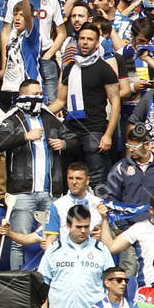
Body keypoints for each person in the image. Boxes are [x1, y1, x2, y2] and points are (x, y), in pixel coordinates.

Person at [0, 79, 67, 268]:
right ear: (23, 95)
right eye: (35, 94)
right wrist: (24, 136)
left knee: (49, 241)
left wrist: (64, 143)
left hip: (50, 193)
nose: (39, 98)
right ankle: (17, 287)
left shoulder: (49, 116)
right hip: (22, 193)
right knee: (18, 243)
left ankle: (45, 284)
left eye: (40, 94)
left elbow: (72, 138)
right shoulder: (12, 118)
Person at [50, 22, 120, 192]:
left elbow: (115, 102)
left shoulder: (104, 69)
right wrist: (39, 111)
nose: (85, 42)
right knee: (69, 173)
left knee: (97, 179)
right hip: (71, 129)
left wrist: (108, 135)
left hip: (95, 130)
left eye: (89, 39)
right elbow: (60, 101)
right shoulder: (69, 68)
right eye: (82, 38)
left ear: (97, 43)